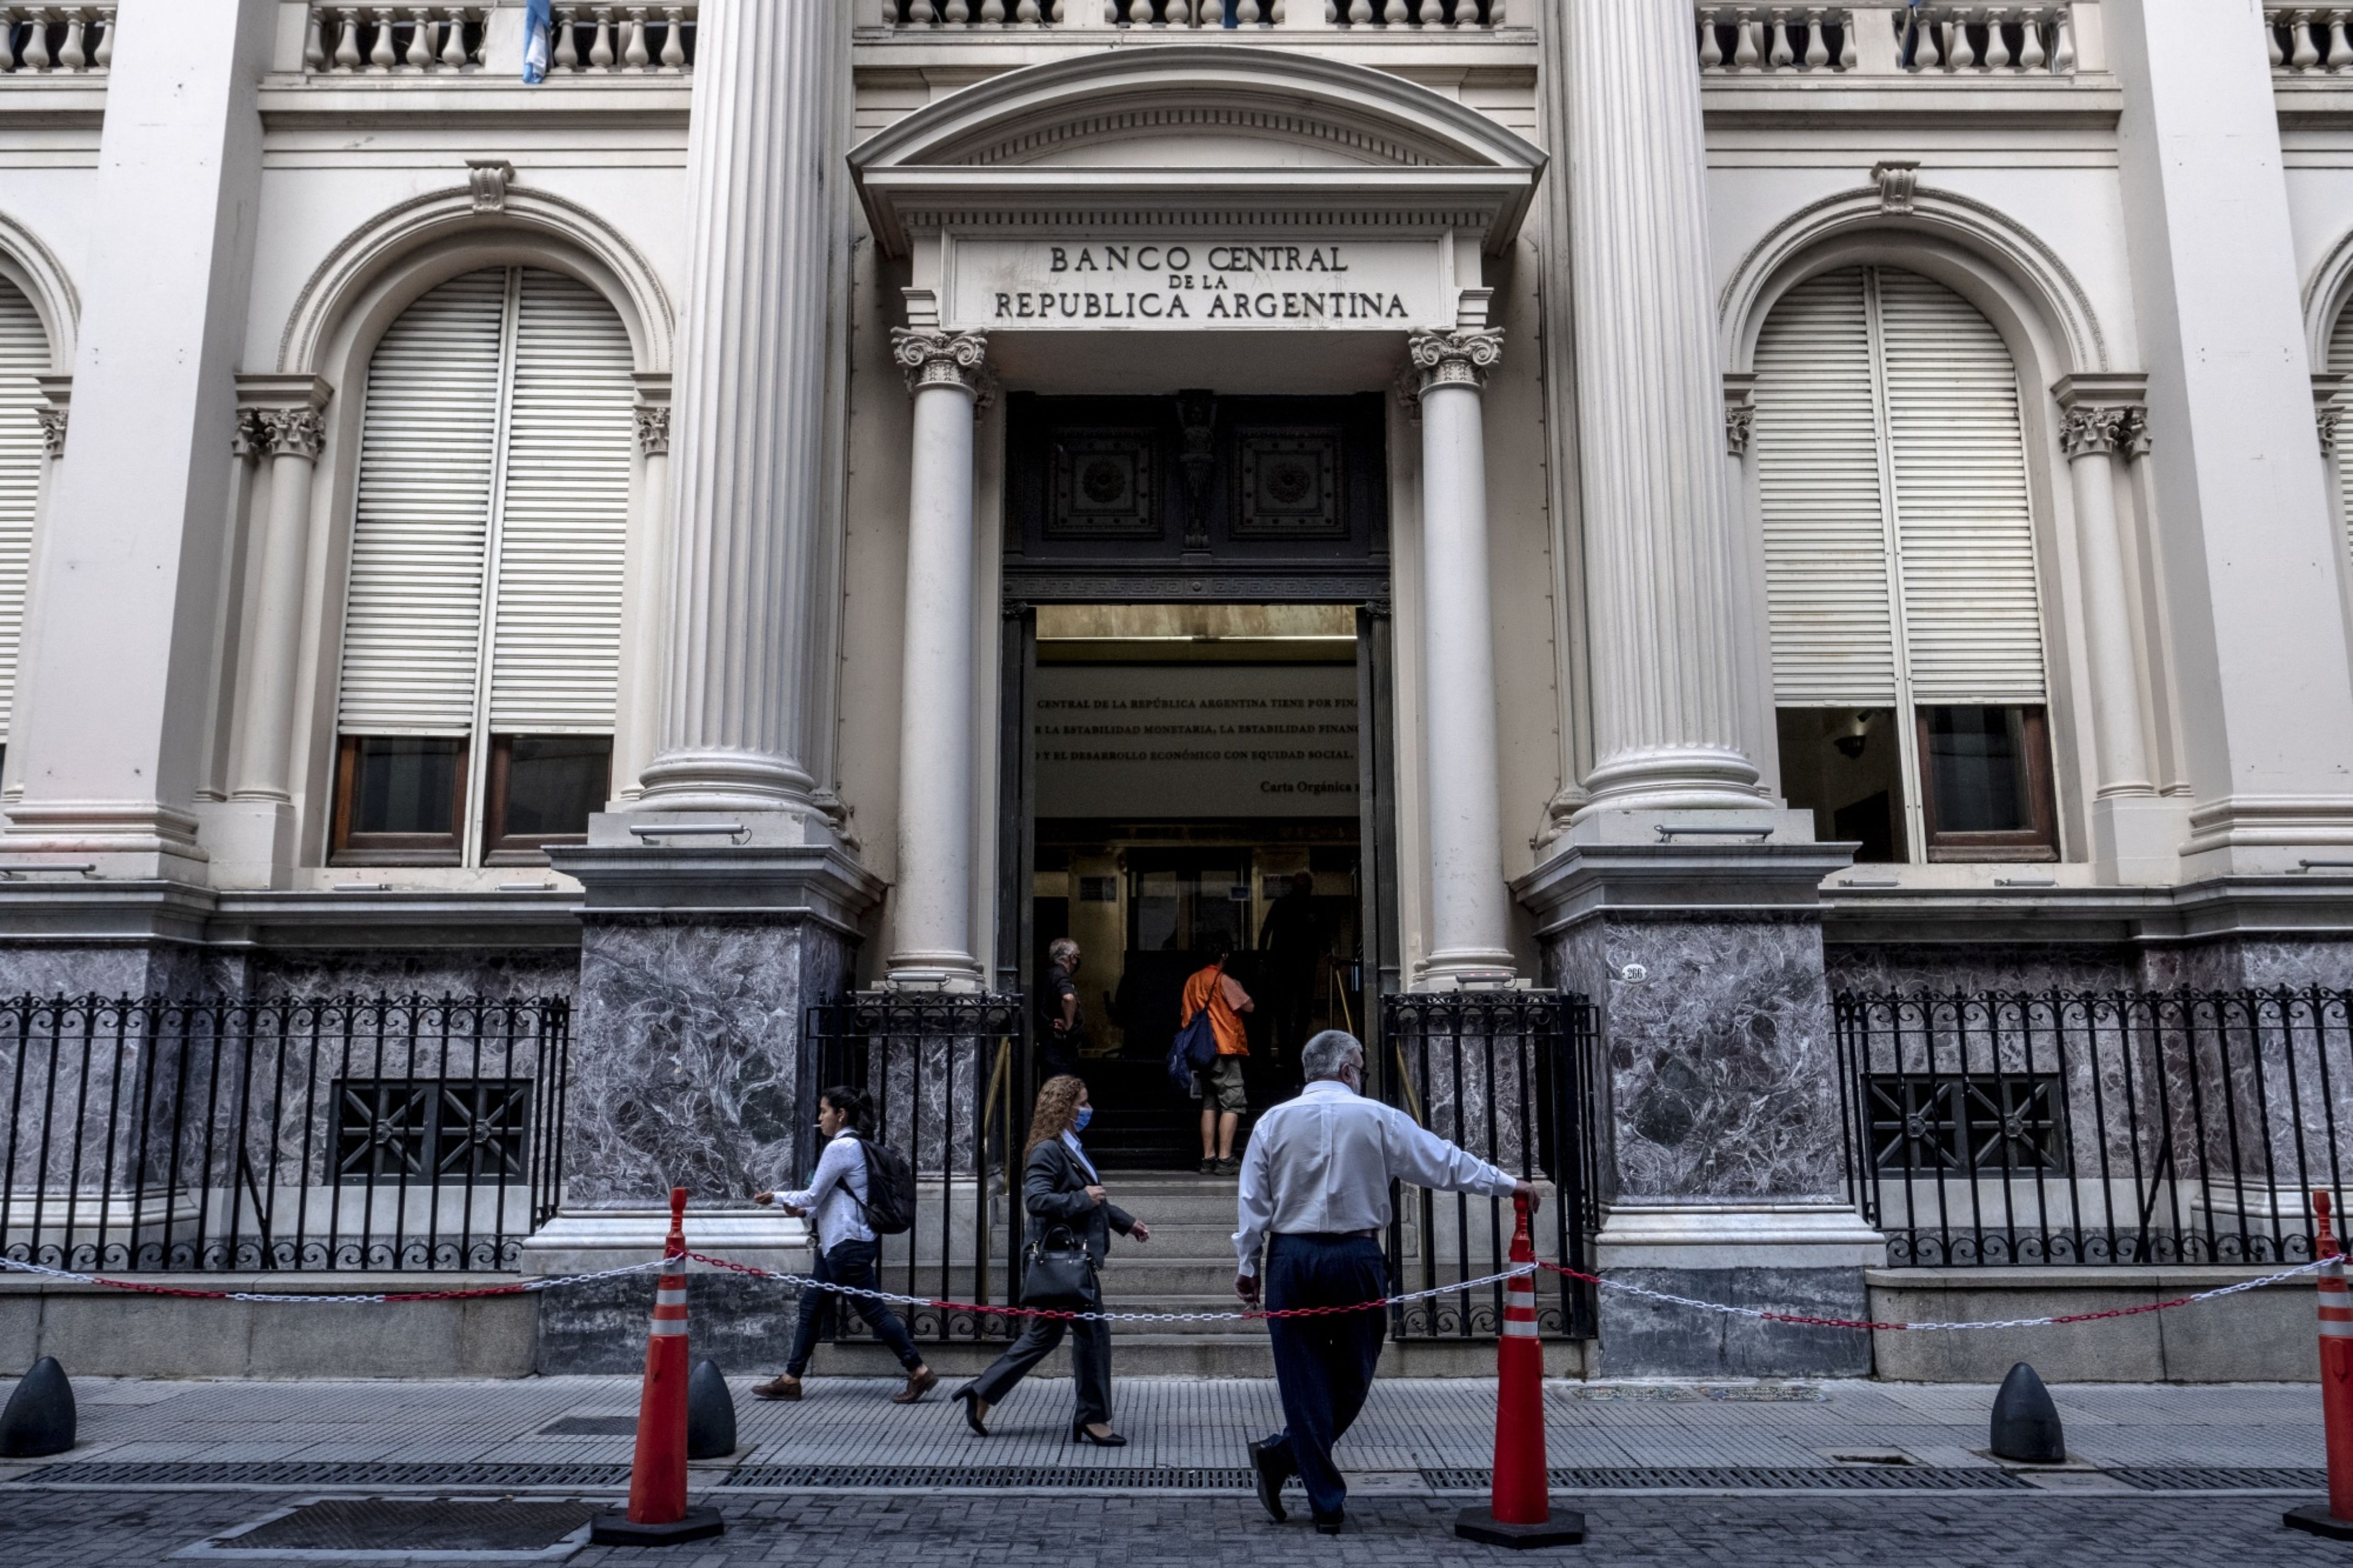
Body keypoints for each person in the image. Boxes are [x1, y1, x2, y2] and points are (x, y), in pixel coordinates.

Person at [1233, 1030, 1538, 1536]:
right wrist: (1507, 1184)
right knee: (1354, 1372)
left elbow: (1252, 1202)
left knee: (1304, 1376)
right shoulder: (1377, 1117)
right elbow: (1444, 1162)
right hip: (1355, 1254)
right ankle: (1325, 1500)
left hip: (1292, 1258)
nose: (1363, 1074)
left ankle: (1284, 1455)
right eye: (1362, 1067)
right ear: (1349, 1069)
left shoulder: (1272, 1122)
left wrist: (1248, 1263)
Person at [952, 1075, 1150, 1444]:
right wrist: (1082, 1200)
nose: (1089, 1109)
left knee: (1045, 1336)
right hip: (1064, 1264)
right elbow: (1037, 1200)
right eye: (1084, 1103)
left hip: (1068, 1263)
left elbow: (1095, 1196)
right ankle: (1093, 1418)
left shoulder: (1070, 1146)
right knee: (1093, 1335)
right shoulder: (1049, 1149)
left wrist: (1125, 1222)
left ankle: (982, 1391)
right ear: (1065, 1107)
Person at [750, 1086, 938, 1405]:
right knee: (811, 1307)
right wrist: (802, 1210)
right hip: (838, 1244)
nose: (819, 1118)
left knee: (874, 1312)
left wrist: (778, 1197)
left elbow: (812, 1195)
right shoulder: (852, 1148)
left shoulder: (842, 1148)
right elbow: (825, 1200)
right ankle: (791, 1379)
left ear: (841, 1115)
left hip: (848, 1246)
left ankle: (919, 1370)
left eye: (824, 1111)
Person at [1182, 950, 1253, 1175]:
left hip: (1201, 1050)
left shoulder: (1192, 980)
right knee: (1232, 1103)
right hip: (1224, 1048)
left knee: (1209, 1103)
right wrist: (1239, 987)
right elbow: (1248, 1006)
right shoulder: (1223, 979)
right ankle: (1225, 1159)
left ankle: (1208, 1158)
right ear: (1223, 956)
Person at [1257, 872, 1321, 1062]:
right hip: (1289, 966)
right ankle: (1290, 1052)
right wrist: (1264, 960)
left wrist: (1264, 959)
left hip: (1291, 966)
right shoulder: (1302, 905)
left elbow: (1265, 932)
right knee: (1291, 1010)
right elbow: (1266, 931)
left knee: (1291, 1011)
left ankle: (1290, 1052)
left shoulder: (1298, 905)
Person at [1038, 935, 1086, 1081]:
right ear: (1071, 958)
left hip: (1052, 1045)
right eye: (1077, 957)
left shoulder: (1050, 974)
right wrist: (1069, 1023)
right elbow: (1069, 998)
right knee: (1063, 1088)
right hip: (1059, 1047)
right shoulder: (1060, 975)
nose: (1077, 961)